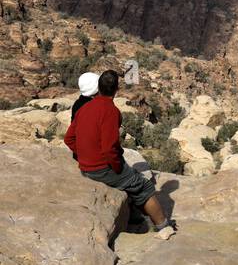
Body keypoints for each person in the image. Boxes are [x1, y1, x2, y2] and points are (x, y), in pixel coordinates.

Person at [64, 69, 175, 238]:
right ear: (117, 89)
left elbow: (69, 139)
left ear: (99, 88)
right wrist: (117, 167)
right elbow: (109, 148)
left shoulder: (84, 108)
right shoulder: (110, 111)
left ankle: (136, 218)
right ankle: (164, 227)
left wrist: (85, 154)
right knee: (144, 186)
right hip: (101, 168)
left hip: (85, 166)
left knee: (131, 180)